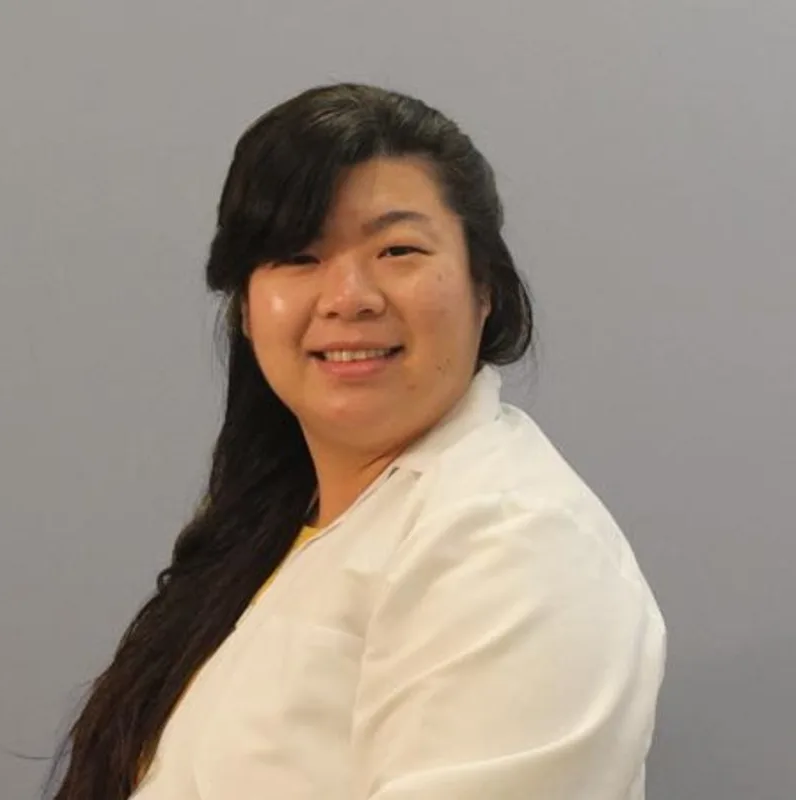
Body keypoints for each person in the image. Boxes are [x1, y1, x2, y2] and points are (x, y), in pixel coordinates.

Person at [50, 82, 666, 800]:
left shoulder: (513, 543)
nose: (350, 296)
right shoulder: (276, 526)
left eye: (398, 249)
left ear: (484, 289)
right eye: (298, 257)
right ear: (246, 308)